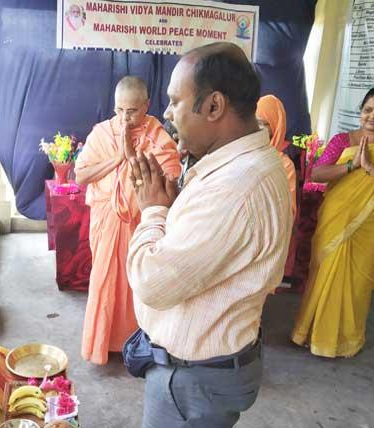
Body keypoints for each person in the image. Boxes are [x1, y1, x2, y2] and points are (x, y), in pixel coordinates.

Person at [126, 42, 293, 427]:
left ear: (214, 106)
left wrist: (152, 210)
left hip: (192, 382)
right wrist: (173, 206)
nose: (166, 115)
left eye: (174, 101)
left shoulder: (236, 187)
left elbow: (153, 282)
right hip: (201, 373)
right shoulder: (238, 165)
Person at [75, 76, 181, 365]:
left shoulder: (158, 136)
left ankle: (137, 343)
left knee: (138, 281)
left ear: (146, 106)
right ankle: (103, 344)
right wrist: (119, 157)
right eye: (119, 110)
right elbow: (81, 175)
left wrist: (133, 155)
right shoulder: (102, 133)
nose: (125, 118)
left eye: (132, 111)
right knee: (105, 281)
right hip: (107, 220)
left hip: (141, 223)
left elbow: (170, 180)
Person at [291, 86, 374, 358]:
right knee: (323, 272)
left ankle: (344, 340)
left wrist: (370, 166)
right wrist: (352, 165)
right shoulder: (343, 140)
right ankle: (310, 333)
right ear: (360, 111)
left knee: (356, 283)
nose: (373, 116)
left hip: (373, 222)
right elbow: (317, 173)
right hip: (336, 215)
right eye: (368, 110)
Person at [256, 95, 298, 281]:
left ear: (274, 127)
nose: (255, 129)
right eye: (252, 122)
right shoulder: (240, 154)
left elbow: (287, 210)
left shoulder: (284, 165)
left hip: (264, 239)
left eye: (263, 124)